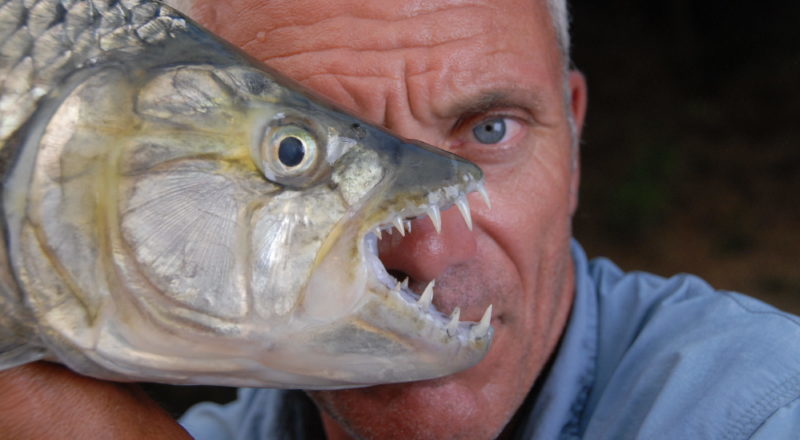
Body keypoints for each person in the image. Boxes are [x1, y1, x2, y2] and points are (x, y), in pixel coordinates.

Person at [1, 0, 798, 439]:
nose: (425, 249)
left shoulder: (763, 411)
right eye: (293, 152)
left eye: (491, 131)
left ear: (576, 137)